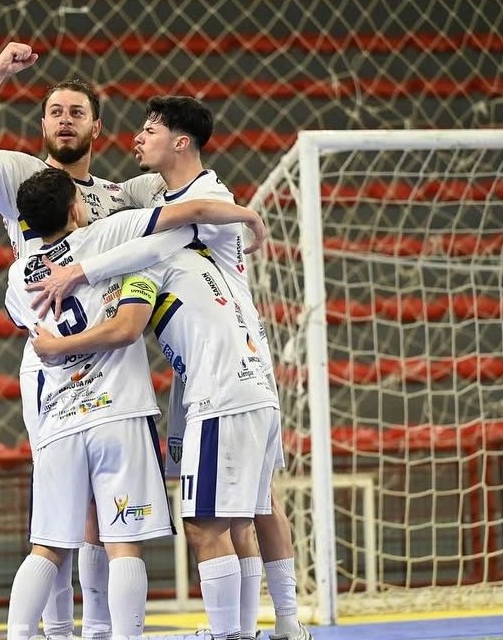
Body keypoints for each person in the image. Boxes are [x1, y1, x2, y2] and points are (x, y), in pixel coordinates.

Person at [27, 95, 311, 640]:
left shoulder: (203, 199)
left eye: (149, 128)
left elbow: (169, 242)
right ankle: (273, 628)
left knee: (209, 521)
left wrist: (78, 271)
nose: (137, 137)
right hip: (234, 374)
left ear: (181, 141)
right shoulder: (172, 202)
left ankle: (235, 632)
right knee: (249, 509)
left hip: (220, 378)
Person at [3, 166, 269, 640]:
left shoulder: (18, 274)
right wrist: (246, 214)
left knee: (45, 546)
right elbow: (194, 213)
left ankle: (22, 635)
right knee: (123, 544)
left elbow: (32, 333)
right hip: (119, 413)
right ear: (74, 208)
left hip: (60, 420)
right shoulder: (107, 235)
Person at [0, 41, 143, 639]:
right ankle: (62, 632)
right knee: (77, 523)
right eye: (55, 110)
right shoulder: (27, 176)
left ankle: (97, 630)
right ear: (42, 124)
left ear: (96, 127)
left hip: (99, 358)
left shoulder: (115, 195)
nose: (63, 119)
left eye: (75, 112)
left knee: (85, 524)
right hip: (63, 370)